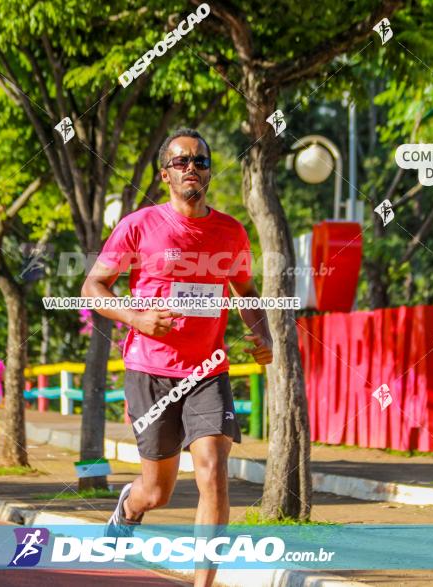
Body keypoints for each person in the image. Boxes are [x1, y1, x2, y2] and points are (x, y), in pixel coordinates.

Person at [82, 128, 273, 587]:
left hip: (208, 370)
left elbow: (245, 290)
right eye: (182, 161)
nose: (192, 168)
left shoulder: (230, 232)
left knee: (213, 470)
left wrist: (260, 331)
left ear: (209, 172)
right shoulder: (139, 226)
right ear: (165, 173)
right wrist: (139, 319)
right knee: (158, 492)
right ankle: (130, 505)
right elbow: (93, 287)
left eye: (201, 161)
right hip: (150, 369)